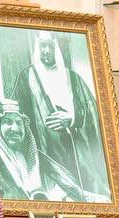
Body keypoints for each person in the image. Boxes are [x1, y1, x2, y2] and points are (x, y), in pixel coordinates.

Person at [10, 31, 111, 201]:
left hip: (76, 151)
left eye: (50, 46)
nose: (46, 51)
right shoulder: (26, 77)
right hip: (43, 150)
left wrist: (72, 118)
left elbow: (93, 110)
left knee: (83, 194)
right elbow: (16, 113)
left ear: (56, 48)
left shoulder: (73, 78)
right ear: (37, 48)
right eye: (42, 46)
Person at [0, 99, 82, 202]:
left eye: (19, 123)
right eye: (8, 122)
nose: (15, 128)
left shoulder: (38, 159)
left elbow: (68, 188)